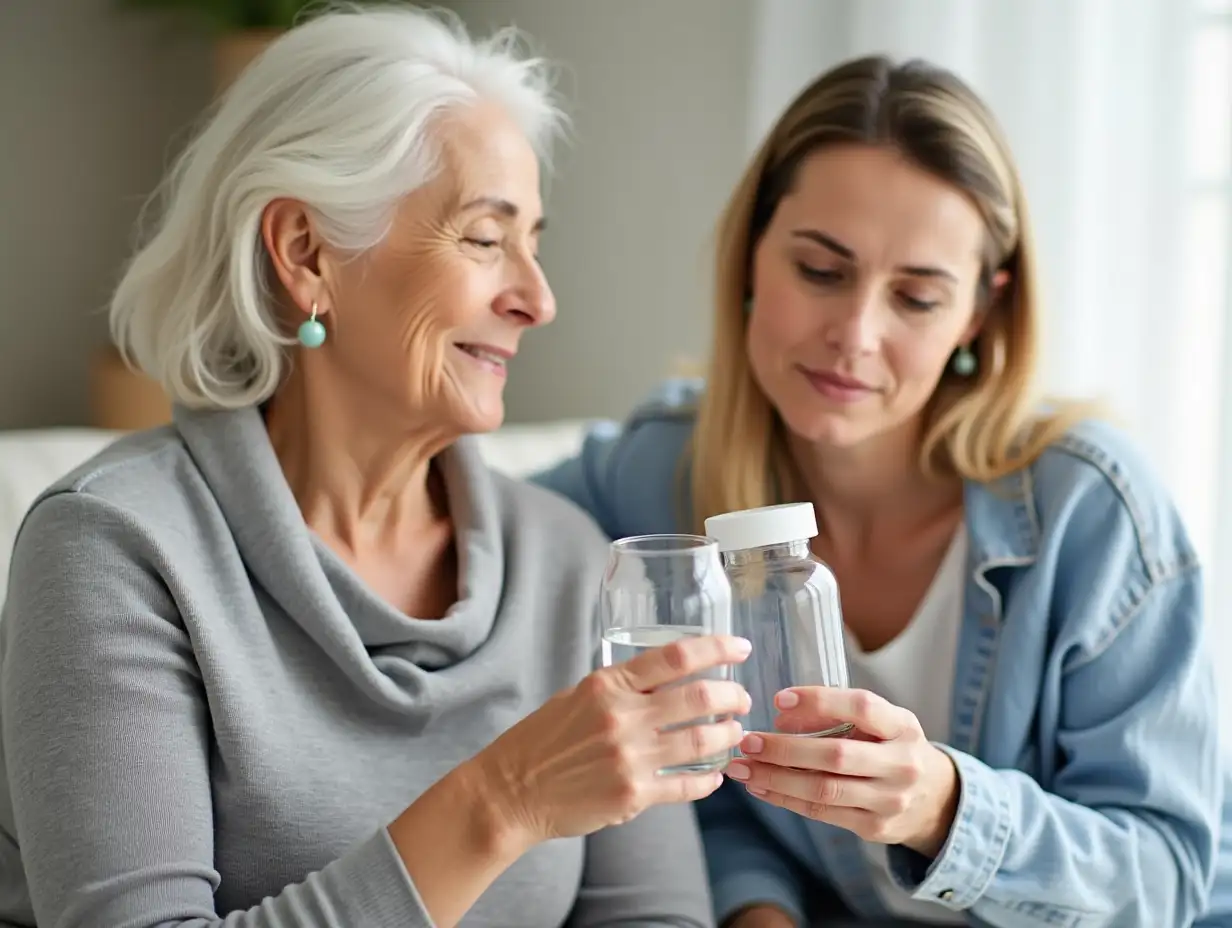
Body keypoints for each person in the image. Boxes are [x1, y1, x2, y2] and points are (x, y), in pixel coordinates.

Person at [0, 8, 754, 928]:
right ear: (306, 252)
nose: (538, 299)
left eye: (535, 242)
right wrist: (501, 801)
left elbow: (655, 920)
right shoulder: (114, 547)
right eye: (484, 238)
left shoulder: (566, 560)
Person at [533, 55, 1231, 928]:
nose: (855, 336)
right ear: (751, 256)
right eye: (821, 271)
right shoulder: (658, 478)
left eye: (918, 297)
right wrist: (757, 909)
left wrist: (942, 807)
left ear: (979, 313)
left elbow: (1164, 879)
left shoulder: (1093, 513)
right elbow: (452, 521)